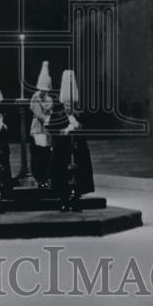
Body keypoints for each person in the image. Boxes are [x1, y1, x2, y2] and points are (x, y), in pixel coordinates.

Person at [48, 70, 93, 212]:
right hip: (62, 150)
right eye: (66, 104)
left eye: (70, 104)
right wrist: (64, 131)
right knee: (61, 175)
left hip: (77, 149)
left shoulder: (80, 115)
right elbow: (52, 130)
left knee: (79, 173)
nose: (68, 106)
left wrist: (77, 125)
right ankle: (64, 200)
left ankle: (76, 198)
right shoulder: (58, 115)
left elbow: (86, 129)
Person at [29, 61, 54, 188]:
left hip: (47, 130)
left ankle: (46, 177)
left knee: (46, 155)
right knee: (39, 154)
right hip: (38, 129)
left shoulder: (49, 99)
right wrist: (48, 119)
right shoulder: (35, 97)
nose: (43, 92)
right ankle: (39, 178)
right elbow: (38, 113)